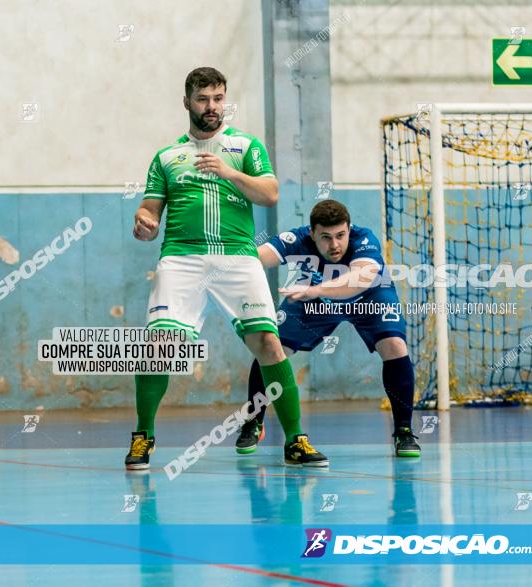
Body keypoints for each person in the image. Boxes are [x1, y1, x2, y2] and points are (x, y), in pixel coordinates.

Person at [126, 67, 326, 470]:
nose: (211, 107)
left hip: (237, 256)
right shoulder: (167, 157)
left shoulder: (245, 147)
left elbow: (269, 195)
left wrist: (230, 172)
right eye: (203, 99)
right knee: (158, 349)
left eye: (218, 98)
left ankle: (296, 440)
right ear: (187, 103)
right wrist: (144, 225)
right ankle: (143, 435)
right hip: (182, 258)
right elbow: (149, 213)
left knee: (268, 344)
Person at [235, 200, 421, 458]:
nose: (335, 245)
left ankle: (403, 431)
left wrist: (316, 290)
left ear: (348, 229)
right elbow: (255, 258)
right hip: (315, 299)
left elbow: (361, 279)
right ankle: (253, 421)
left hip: (368, 296)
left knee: (394, 345)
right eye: (326, 237)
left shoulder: (364, 238)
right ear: (312, 233)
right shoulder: (297, 238)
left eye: (340, 236)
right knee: (271, 347)